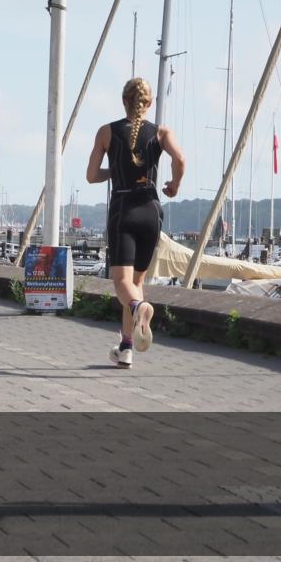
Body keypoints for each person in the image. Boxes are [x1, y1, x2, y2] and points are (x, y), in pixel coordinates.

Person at [86, 77, 185, 369]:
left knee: (122, 283)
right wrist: (175, 185)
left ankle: (140, 307)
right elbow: (180, 159)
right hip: (151, 210)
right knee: (136, 282)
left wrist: (114, 171)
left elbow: (91, 176)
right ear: (149, 103)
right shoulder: (162, 132)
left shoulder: (106, 132)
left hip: (124, 208)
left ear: (123, 101)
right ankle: (126, 347)